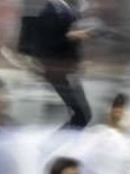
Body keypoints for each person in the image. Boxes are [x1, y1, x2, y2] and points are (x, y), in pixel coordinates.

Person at [28, 0, 92, 129]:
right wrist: (70, 36)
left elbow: (70, 42)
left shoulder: (72, 10)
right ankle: (48, 147)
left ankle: (53, 146)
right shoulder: (51, 10)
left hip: (69, 72)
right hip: (58, 72)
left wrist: (79, 61)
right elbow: (46, 42)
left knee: (83, 116)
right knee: (81, 116)